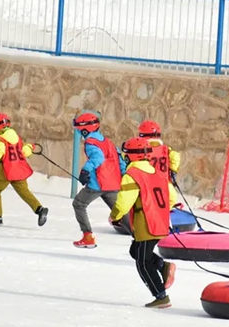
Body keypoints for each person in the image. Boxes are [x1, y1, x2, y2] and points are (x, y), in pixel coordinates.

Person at [109, 137, 177, 309]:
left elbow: (124, 201)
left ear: (132, 156)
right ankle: (163, 266)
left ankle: (161, 297)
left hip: (146, 223)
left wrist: (115, 215)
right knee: (136, 250)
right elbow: (172, 198)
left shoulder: (132, 175)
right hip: (160, 221)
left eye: (126, 154)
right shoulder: (159, 173)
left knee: (142, 261)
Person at [72, 112, 127, 248]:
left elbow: (97, 158)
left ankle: (88, 237)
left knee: (79, 204)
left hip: (97, 184)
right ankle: (139, 235)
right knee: (119, 211)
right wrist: (124, 175)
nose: (78, 132)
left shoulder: (90, 142)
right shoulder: (108, 142)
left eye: (79, 129)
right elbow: (120, 161)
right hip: (113, 183)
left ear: (85, 129)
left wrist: (85, 171)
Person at [0, 112, 49, 226]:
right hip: (19, 169)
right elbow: (25, 151)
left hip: (6, 169)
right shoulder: (17, 138)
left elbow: (0, 151)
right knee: (24, 191)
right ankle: (39, 209)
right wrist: (31, 146)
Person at [137, 120, 181, 185]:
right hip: (164, 184)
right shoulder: (165, 149)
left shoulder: (141, 150)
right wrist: (173, 171)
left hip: (148, 184)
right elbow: (175, 156)